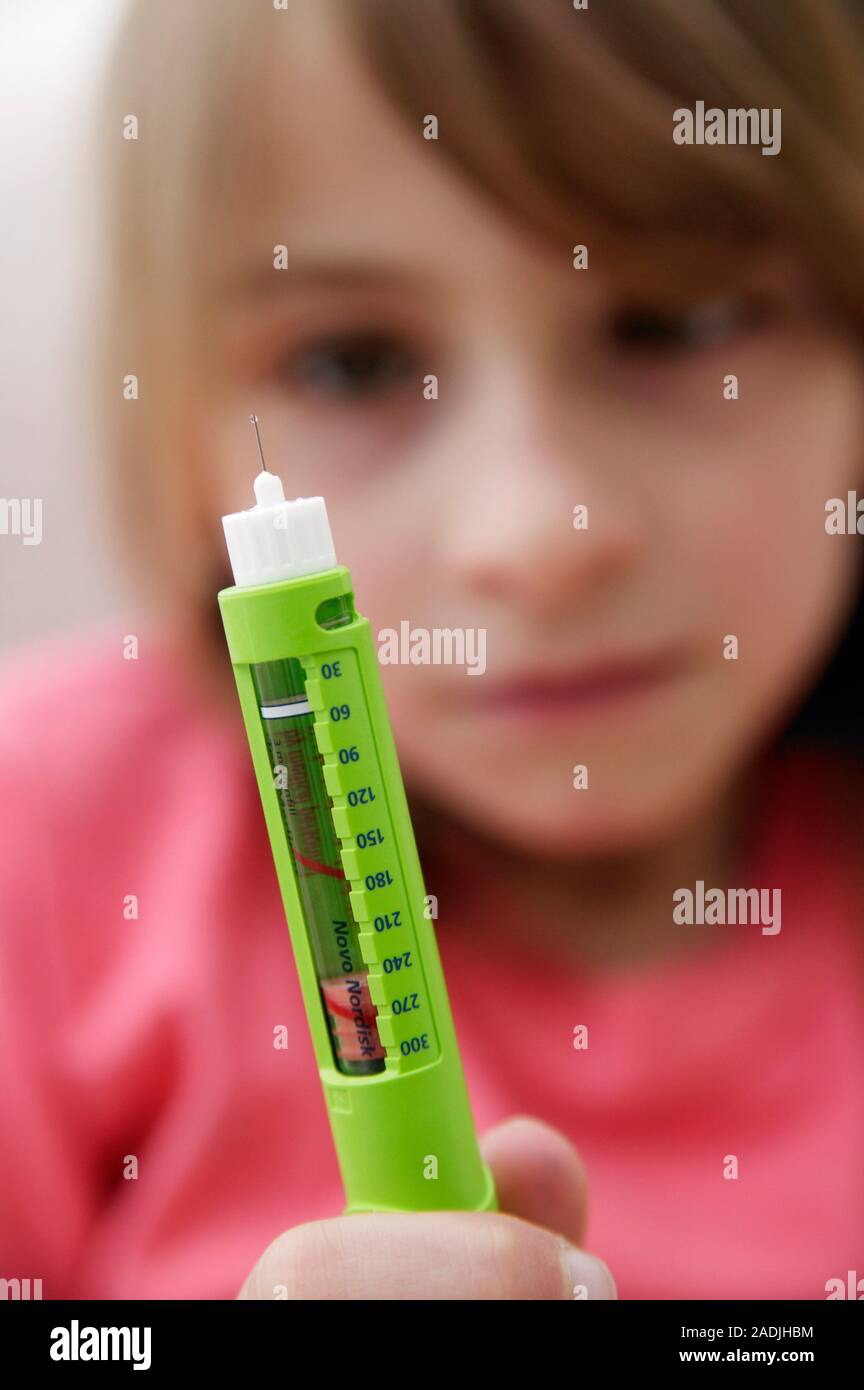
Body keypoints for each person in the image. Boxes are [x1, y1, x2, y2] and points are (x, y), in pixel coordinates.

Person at [1, 0, 863, 1300]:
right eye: (354, 362)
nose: (533, 532)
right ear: (184, 429)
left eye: (675, 323)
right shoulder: (43, 847)